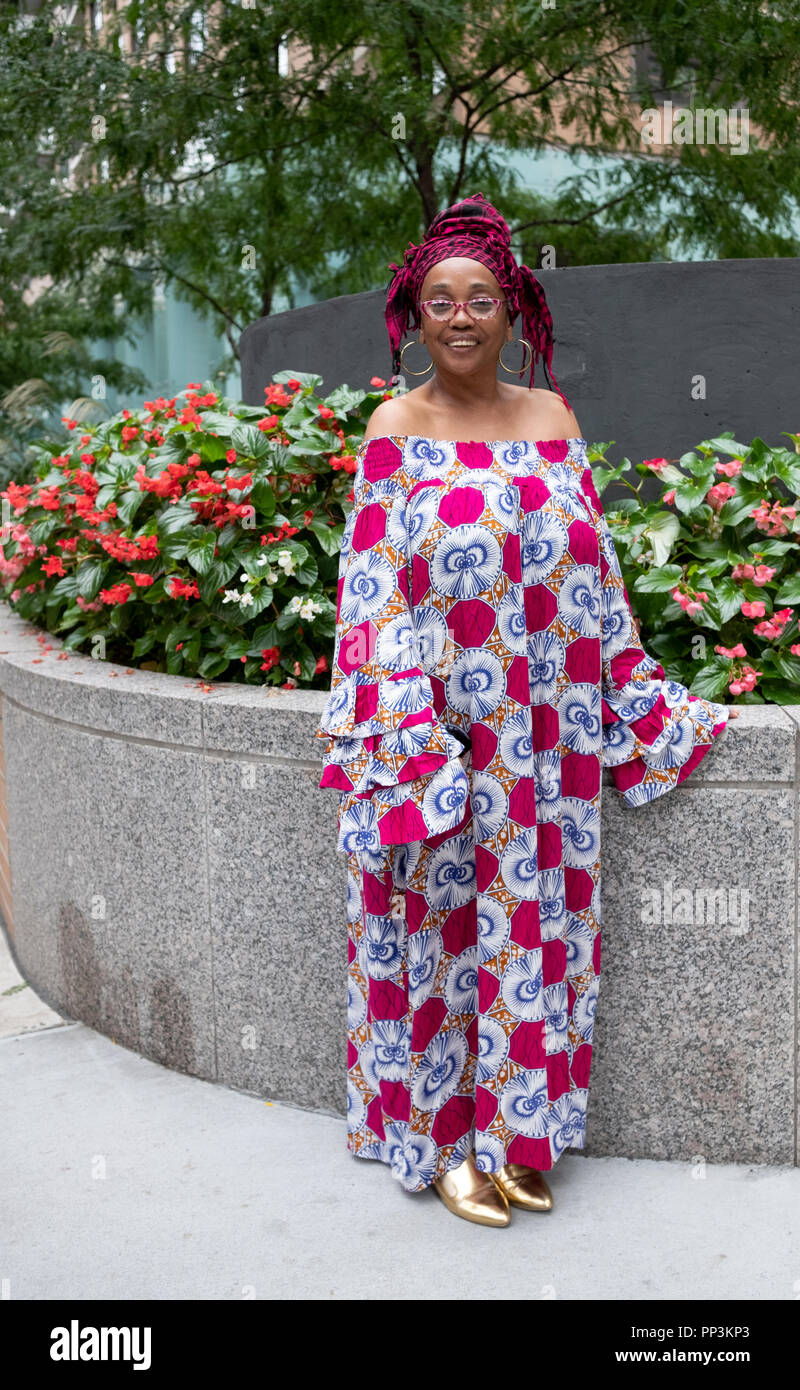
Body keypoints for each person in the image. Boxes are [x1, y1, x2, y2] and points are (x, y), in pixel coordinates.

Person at [315, 192, 739, 1228]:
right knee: (442, 936)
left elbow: (594, 584)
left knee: (538, 937)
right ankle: (443, 1137)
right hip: (446, 744)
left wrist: (628, 699)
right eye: (438, 302)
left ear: (515, 312)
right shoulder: (393, 429)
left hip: (548, 747)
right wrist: (411, 739)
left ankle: (517, 1133)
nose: (459, 317)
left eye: (481, 299)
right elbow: (369, 598)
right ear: (412, 317)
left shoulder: (551, 420)